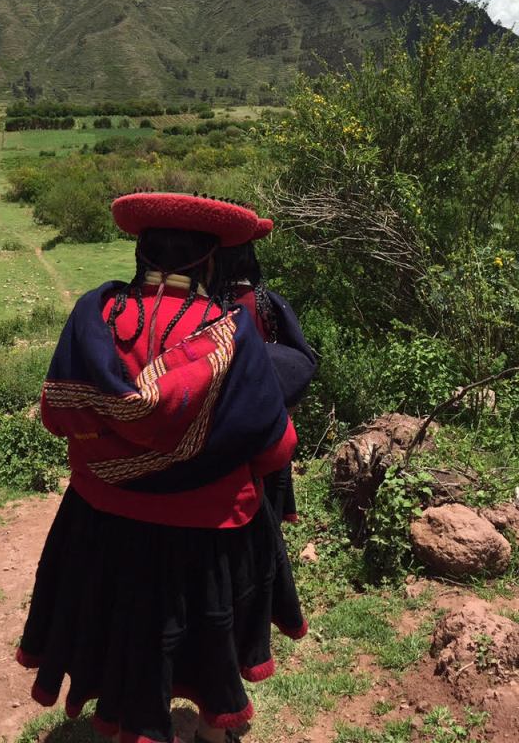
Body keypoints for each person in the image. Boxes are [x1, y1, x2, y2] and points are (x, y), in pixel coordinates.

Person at [17, 192, 312, 743]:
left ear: (140, 254)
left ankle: (114, 721)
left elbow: (57, 418)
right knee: (205, 633)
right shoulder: (229, 332)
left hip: (102, 518)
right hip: (205, 534)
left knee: (112, 620)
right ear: (207, 262)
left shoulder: (95, 317)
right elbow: (274, 448)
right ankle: (208, 726)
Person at [212, 235, 316, 523]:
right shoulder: (268, 302)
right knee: (268, 496)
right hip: (268, 416)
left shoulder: (210, 304)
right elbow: (298, 364)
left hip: (221, 421)